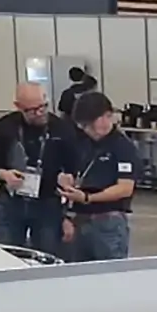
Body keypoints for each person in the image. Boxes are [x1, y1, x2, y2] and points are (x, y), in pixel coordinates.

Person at [0, 82, 64, 256]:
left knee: (47, 258)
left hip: (47, 204)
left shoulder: (60, 128)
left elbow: (73, 164)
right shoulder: (6, 127)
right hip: (12, 203)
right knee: (6, 257)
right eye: (32, 110)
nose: (40, 113)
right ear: (18, 107)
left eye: (43, 106)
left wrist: (66, 177)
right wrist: (4, 174)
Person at [56, 91, 140, 262]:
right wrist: (64, 179)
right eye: (83, 126)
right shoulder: (81, 143)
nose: (88, 130)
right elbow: (69, 169)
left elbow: (125, 188)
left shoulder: (123, 147)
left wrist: (88, 198)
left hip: (108, 222)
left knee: (110, 275)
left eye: (90, 124)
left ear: (107, 116)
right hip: (78, 220)